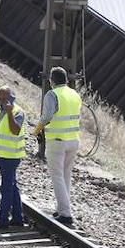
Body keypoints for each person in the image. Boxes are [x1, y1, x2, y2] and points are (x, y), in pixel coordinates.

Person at [37, 67, 82, 227]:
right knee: (65, 176)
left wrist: (38, 128)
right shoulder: (75, 94)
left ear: (51, 80)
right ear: (66, 80)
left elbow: (47, 116)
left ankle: (66, 213)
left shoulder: (52, 94)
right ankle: (61, 208)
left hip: (57, 141)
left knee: (57, 176)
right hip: (73, 141)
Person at [0, 86, 27, 230]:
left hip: (12, 155)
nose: (1, 102)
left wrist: (10, 113)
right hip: (3, 154)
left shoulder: (17, 112)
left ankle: (3, 219)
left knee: (6, 187)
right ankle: (18, 218)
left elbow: (15, 130)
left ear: (11, 98)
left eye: (4, 99)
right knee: (12, 186)